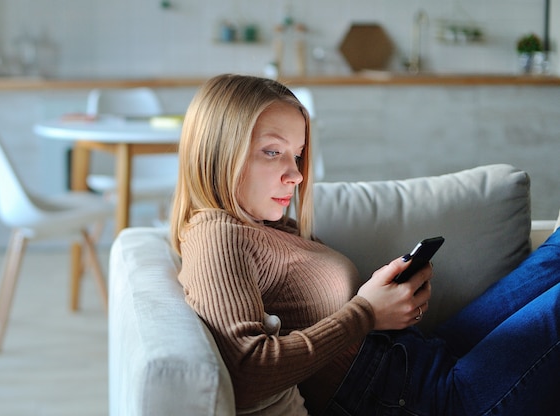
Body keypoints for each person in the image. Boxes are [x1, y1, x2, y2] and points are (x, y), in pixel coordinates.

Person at [170, 73, 560, 416]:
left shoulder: (266, 225)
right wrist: (367, 313)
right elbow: (246, 371)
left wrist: (388, 300)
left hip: (413, 359)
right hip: (417, 400)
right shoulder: (216, 233)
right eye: (273, 152)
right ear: (218, 152)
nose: (296, 175)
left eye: (298, 155)